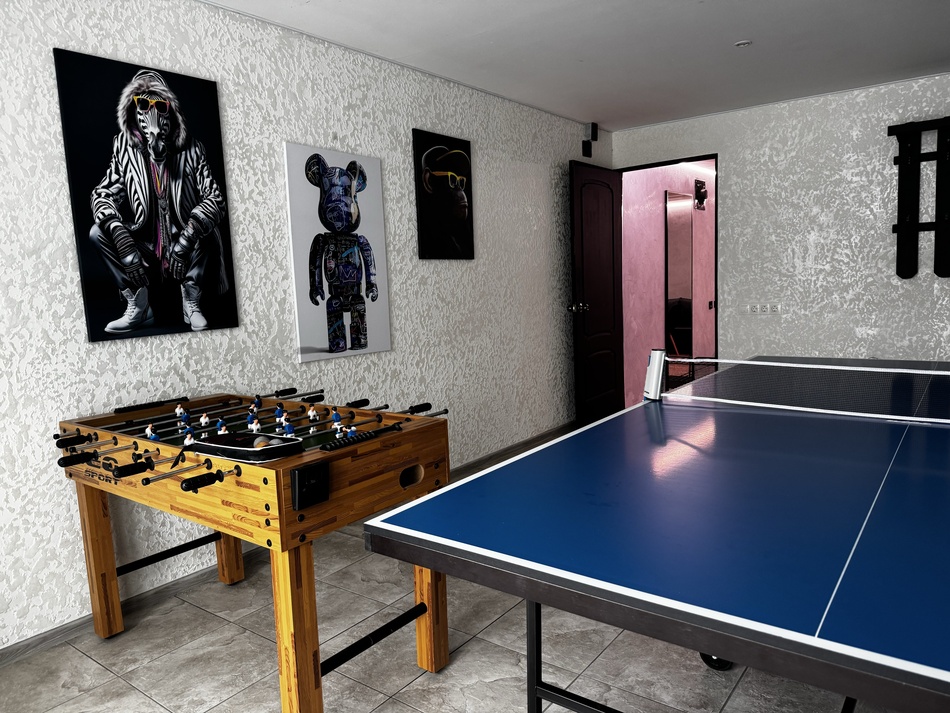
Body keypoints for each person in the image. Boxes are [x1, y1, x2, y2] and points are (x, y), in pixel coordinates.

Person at [89, 68, 229, 334]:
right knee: (98, 233)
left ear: (170, 111)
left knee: (209, 230)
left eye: (160, 106)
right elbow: (103, 193)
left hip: (183, 248)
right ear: (134, 111)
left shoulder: (193, 149)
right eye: (143, 105)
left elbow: (215, 198)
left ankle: (191, 299)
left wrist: (188, 237)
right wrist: (120, 236)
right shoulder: (124, 148)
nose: (152, 118)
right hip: (146, 249)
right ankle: (139, 304)